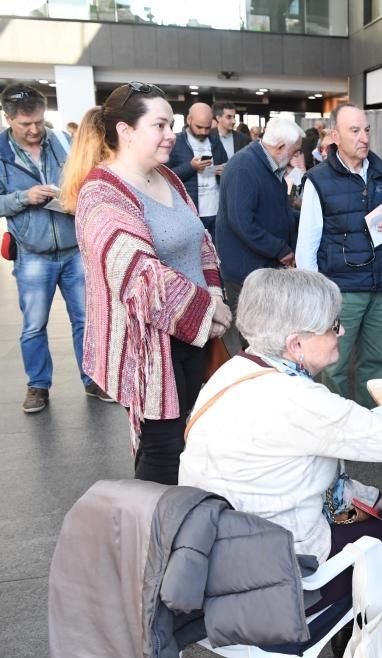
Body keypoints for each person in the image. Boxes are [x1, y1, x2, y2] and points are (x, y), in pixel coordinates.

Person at [178, 267, 382, 658]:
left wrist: (371, 497)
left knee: (375, 513)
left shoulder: (236, 370)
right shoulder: (296, 399)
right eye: (333, 326)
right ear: (296, 343)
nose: (342, 333)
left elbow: (306, 469)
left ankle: (348, 630)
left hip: (222, 552)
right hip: (279, 566)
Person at [61, 81, 232, 485]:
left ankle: (187, 532)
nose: (171, 133)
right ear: (125, 131)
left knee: (192, 439)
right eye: (160, 124)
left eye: (171, 124)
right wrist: (209, 311)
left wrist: (214, 294)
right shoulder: (101, 194)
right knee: (162, 451)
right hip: (151, 347)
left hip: (193, 336)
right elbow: (141, 277)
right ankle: (151, 538)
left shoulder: (169, 178)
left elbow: (200, 242)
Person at [0, 83, 113, 412]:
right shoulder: (2, 154)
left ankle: (91, 379)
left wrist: (75, 197)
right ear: (8, 119)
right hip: (33, 254)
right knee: (34, 324)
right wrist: (25, 197)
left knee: (84, 319)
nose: (34, 130)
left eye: (38, 121)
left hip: (74, 248)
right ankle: (38, 385)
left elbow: (86, 177)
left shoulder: (63, 142)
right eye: (25, 124)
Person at [295, 103, 382, 408]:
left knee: (376, 362)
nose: (364, 138)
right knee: (335, 364)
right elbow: (307, 243)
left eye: (367, 130)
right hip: (341, 291)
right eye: (354, 131)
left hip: (380, 286)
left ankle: (370, 424)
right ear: (335, 136)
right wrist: (315, 296)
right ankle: (338, 425)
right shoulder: (319, 180)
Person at [214, 117, 302, 311]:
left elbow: (276, 210)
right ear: (280, 147)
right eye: (294, 151)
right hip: (247, 271)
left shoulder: (267, 164)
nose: (296, 157)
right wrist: (281, 250)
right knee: (255, 334)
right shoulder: (243, 167)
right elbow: (242, 223)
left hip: (262, 267)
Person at [166, 102, 226, 242]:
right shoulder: (176, 142)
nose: (203, 132)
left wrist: (223, 169)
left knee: (217, 256)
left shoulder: (215, 141)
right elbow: (165, 177)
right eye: (199, 127)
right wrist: (191, 167)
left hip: (217, 211)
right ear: (189, 120)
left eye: (207, 128)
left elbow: (222, 167)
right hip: (189, 212)